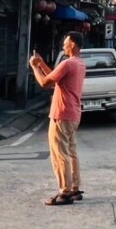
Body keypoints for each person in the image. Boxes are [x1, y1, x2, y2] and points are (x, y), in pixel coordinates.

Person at [29, 31, 86, 206]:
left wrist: (34, 67)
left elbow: (45, 83)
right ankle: (75, 187)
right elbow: (55, 79)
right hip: (73, 113)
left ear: (73, 45)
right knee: (71, 152)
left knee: (60, 154)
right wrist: (42, 64)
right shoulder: (79, 64)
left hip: (61, 114)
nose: (63, 46)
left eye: (65, 43)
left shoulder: (68, 63)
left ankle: (65, 191)